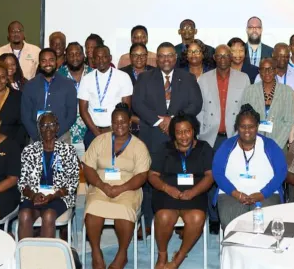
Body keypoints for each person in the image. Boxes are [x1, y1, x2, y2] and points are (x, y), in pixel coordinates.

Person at [132, 42, 202, 230]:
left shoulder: (187, 78)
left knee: (180, 177)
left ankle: (183, 220)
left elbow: (196, 104)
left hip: (180, 139)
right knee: (150, 178)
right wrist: (159, 121)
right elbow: (137, 104)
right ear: (157, 59)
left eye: (169, 55)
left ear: (176, 57)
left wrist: (172, 120)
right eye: (161, 56)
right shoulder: (145, 78)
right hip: (152, 135)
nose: (166, 59)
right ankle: (146, 222)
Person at [83, 103, 150, 269]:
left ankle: (122, 255)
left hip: (128, 187)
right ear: (111, 123)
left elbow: (142, 175)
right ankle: (96, 254)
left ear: (130, 123)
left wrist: (120, 188)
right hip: (101, 185)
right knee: (93, 209)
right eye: (115, 122)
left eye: (123, 122)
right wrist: (101, 185)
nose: (119, 125)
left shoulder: (139, 146)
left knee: (124, 210)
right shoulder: (100, 141)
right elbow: (88, 167)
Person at [196, 44, 250, 233]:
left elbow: (246, 108)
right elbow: (199, 109)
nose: (223, 59)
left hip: (234, 135)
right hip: (210, 136)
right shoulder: (204, 79)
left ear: (231, 57)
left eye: (227, 55)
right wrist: (201, 131)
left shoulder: (243, 78)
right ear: (214, 58)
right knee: (212, 176)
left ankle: (235, 212)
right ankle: (214, 218)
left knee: (232, 175)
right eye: (219, 56)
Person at [149, 113, 213, 269]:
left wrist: (193, 192)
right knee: (163, 216)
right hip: (167, 194)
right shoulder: (164, 148)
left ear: (193, 130)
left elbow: (210, 176)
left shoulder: (204, 148)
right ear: (173, 134)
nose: (184, 136)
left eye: (187, 131)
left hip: (195, 195)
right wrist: (166, 188)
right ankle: (162, 254)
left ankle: (178, 258)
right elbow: (152, 175)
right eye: (179, 132)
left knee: (197, 218)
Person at [212, 104, 287, 230]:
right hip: (231, 194)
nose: (247, 130)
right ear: (237, 127)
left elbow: (281, 172)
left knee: (265, 225)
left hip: (266, 194)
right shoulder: (227, 145)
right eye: (243, 126)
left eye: (251, 126)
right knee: (234, 225)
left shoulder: (269, 145)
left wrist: (263, 194)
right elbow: (217, 173)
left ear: (257, 127)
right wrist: (236, 193)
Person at [18, 112, 80, 239]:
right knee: (24, 214)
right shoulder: (29, 151)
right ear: (39, 129)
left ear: (57, 128)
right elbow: (22, 182)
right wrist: (33, 195)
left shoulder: (68, 150)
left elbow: (73, 182)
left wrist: (53, 196)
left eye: (51, 125)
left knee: (48, 215)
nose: (47, 129)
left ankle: (46, 256)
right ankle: (24, 256)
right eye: (43, 125)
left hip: (58, 196)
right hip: (34, 196)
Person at [79, 45, 132, 148]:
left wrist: (113, 130)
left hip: (117, 131)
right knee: (92, 164)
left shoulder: (123, 77)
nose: (101, 60)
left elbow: (126, 109)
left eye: (104, 56)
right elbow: (83, 110)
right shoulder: (86, 79)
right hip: (93, 132)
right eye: (97, 57)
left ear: (110, 58)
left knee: (116, 163)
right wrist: (96, 132)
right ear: (93, 60)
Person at [20, 49, 77, 143]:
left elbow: (71, 115)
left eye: (51, 60)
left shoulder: (68, 84)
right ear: (39, 63)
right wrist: (38, 136)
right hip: (36, 138)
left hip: (61, 137)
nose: (48, 64)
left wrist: (55, 135)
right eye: (44, 61)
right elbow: (25, 115)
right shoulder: (30, 85)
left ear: (56, 62)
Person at [241, 58, 294, 150]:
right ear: (259, 71)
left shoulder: (287, 91)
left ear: (276, 70)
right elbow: (244, 118)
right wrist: (252, 142)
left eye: (270, 68)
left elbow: (289, 121)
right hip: (253, 144)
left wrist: (275, 145)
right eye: (263, 69)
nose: (267, 72)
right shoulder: (249, 90)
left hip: (279, 144)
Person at [58, 42, 93, 155]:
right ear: (65, 56)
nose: (75, 58)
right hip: (64, 135)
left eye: (78, 54)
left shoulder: (93, 75)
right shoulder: (57, 76)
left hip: (89, 135)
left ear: (83, 55)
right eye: (71, 54)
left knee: (88, 172)